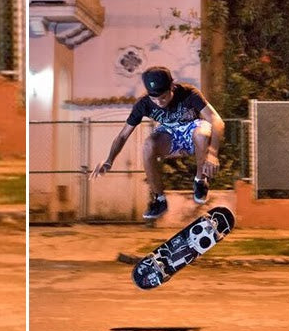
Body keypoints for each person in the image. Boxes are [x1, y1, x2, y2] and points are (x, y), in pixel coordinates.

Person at [89, 66, 225, 219]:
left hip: (192, 129)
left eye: (164, 97)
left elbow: (216, 120)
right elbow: (123, 135)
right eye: (155, 99)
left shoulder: (189, 93)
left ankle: (200, 180)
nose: (160, 103)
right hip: (169, 135)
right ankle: (159, 199)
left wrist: (213, 154)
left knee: (201, 133)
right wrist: (109, 161)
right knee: (148, 145)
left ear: (172, 86)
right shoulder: (143, 104)